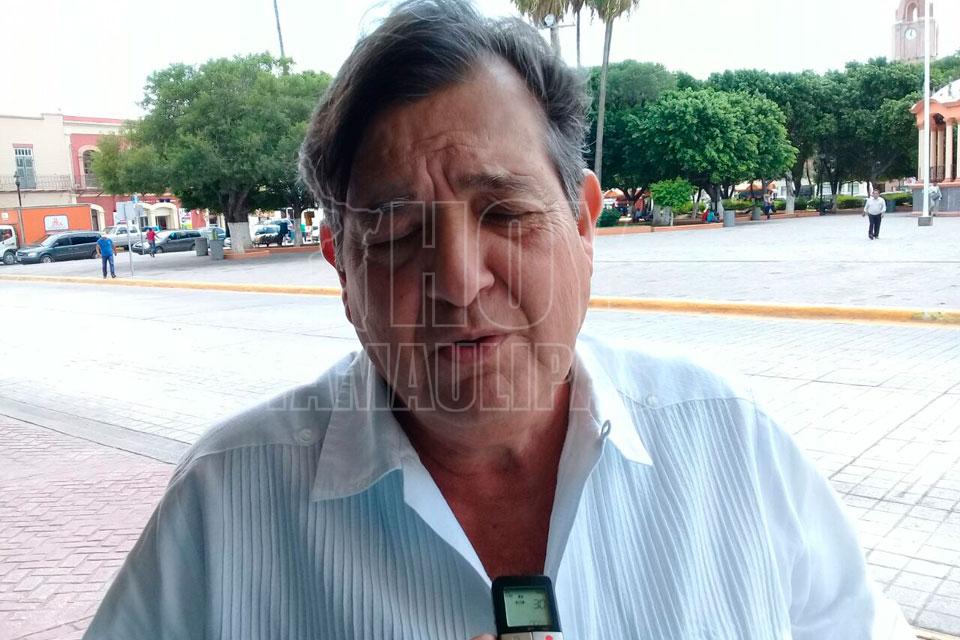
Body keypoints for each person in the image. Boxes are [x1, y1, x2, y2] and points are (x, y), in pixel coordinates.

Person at [83, 2, 911, 639]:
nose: (458, 280)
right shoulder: (225, 505)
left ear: (583, 223)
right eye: (397, 234)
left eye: (507, 214)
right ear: (341, 266)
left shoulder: (733, 446)